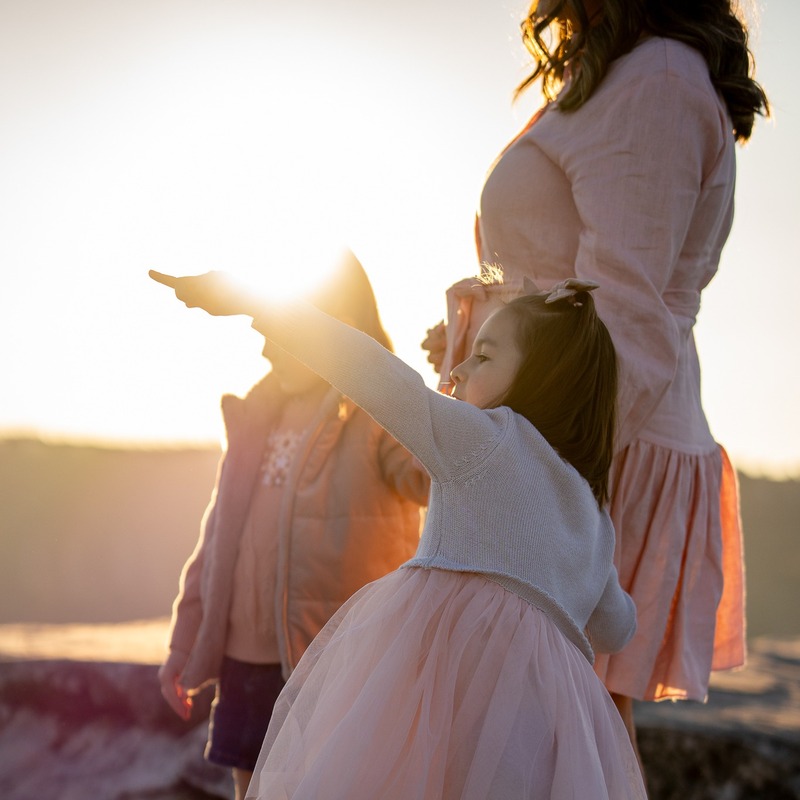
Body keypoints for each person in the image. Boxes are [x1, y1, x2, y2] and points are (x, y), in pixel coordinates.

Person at [150, 267, 647, 800]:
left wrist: (257, 300)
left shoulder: (481, 441)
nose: (456, 369)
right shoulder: (592, 510)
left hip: (438, 701)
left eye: (481, 355)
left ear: (544, 377)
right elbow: (615, 628)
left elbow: (372, 374)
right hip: (537, 726)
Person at [425, 0, 770, 762]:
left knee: (563, 724)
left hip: (600, 446)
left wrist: (544, 473)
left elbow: (626, 311)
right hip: (566, 437)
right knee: (546, 725)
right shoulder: (622, 72)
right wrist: (481, 335)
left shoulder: (661, 81)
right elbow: (564, 288)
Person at [155, 252, 429, 800]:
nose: (261, 345)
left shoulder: (377, 413)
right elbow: (217, 542)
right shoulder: (257, 414)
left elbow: (430, 473)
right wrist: (185, 644)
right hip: (243, 665)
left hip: (333, 665)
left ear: (326, 329)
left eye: (275, 329)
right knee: (250, 790)